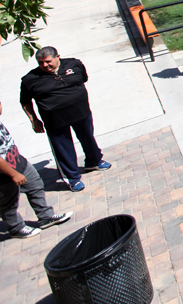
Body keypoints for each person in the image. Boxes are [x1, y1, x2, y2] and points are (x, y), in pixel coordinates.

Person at [20, 47, 112, 191]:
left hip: (82, 113)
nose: (44, 65)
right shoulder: (30, 79)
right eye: (40, 63)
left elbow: (83, 79)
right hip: (55, 121)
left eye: (48, 61)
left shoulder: (74, 64)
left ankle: (94, 161)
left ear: (58, 57)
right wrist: (34, 120)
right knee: (63, 148)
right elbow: (25, 102)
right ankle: (72, 178)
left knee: (88, 137)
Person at [0, 102, 73, 238]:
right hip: (4, 175)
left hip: (18, 162)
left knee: (35, 184)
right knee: (8, 203)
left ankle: (45, 216)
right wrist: (13, 174)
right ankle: (16, 228)